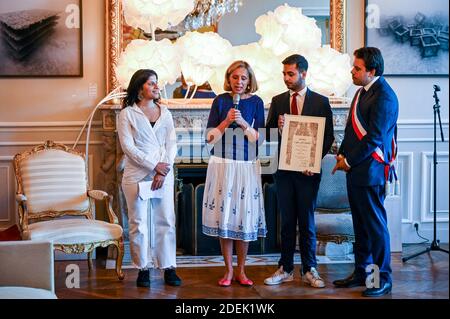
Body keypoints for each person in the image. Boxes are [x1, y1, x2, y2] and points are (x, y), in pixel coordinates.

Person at [332, 47, 398, 297]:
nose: (353, 71)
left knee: (375, 227)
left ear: (371, 71)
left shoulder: (385, 96)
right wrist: (342, 153)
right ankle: (363, 273)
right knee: (360, 227)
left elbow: (374, 139)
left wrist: (348, 161)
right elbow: (352, 130)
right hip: (357, 171)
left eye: (357, 68)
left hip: (370, 172)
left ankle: (384, 278)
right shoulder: (362, 92)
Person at [264, 54, 334, 288]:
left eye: (290, 74)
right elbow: (268, 134)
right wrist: (278, 127)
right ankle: (285, 268)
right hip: (283, 171)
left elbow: (328, 137)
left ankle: (309, 269)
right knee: (286, 222)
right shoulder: (277, 100)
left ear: (303, 73)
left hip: (308, 173)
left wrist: (313, 163)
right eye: (284, 73)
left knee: (307, 221)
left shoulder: (321, 102)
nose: (286, 78)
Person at [202, 60, 267, 287]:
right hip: (222, 165)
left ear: (249, 81)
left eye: (243, 78)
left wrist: (242, 124)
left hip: (246, 166)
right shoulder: (220, 101)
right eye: (235, 77)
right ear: (228, 78)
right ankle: (228, 270)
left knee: (244, 219)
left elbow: (259, 138)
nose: (239, 82)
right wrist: (226, 121)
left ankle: (242, 270)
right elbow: (209, 138)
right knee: (226, 218)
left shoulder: (257, 102)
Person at [117, 69, 181, 287]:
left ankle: (168, 267)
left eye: (157, 83)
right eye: (151, 83)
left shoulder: (166, 113)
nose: (156, 87)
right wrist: (154, 166)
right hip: (137, 175)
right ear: (139, 87)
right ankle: (143, 267)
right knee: (139, 223)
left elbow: (171, 144)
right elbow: (128, 147)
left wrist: (163, 170)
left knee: (166, 221)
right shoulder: (127, 114)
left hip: (164, 174)